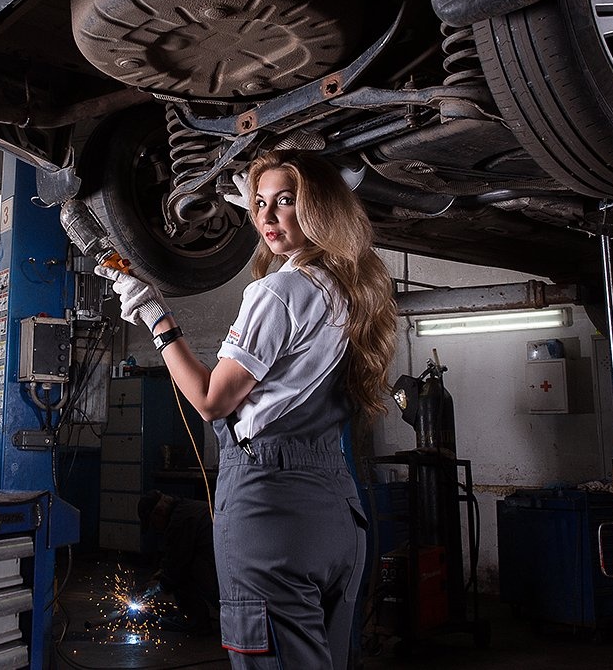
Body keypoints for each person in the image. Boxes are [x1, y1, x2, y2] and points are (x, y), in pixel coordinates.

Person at [97, 149, 397, 668]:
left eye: (286, 202)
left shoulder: (277, 292)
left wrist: (154, 315)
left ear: (321, 207)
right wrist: (270, 204)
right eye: (259, 204)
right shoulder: (354, 288)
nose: (266, 217)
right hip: (337, 516)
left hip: (271, 514)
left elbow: (212, 402)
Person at [138, 489, 219, 634]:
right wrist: (158, 575)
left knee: (180, 574)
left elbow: (175, 569)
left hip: (222, 577)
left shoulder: (179, 522)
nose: (156, 529)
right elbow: (174, 555)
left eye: (153, 523)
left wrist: (156, 588)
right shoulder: (183, 509)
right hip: (228, 569)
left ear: (159, 512)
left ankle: (194, 621)